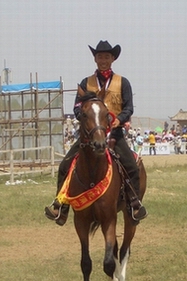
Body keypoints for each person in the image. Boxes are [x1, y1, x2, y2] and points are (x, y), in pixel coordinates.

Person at [44, 40, 147, 225]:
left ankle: (134, 204)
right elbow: (77, 107)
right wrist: (84, 117)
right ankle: (61, 207)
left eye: (107, 56)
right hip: (89, 136)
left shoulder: (123, 83)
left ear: (113, 58)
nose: (103, 60)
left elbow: (129, 108)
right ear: (95, 59)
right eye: (100, 56)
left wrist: (119, 119)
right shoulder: (85, 83)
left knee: (131, 166)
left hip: (114, 134)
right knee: (64, 166)